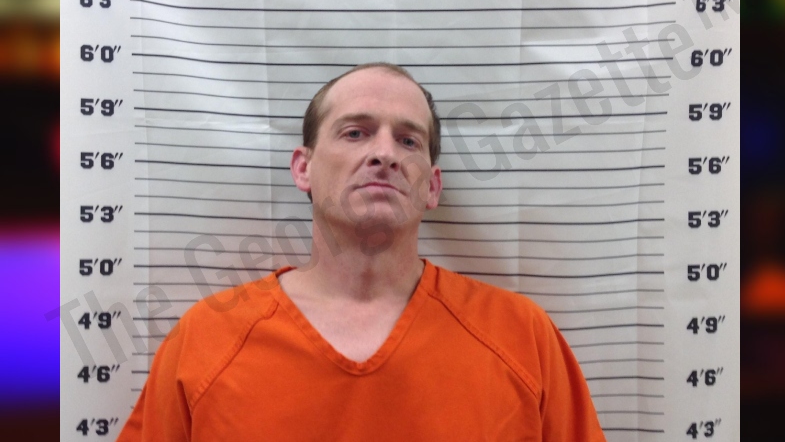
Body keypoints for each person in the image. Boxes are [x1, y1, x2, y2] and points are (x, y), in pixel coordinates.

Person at [117, 63, 606, 441]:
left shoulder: (522, 337)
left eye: (408, 140)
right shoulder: (206, 340)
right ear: (303, 168)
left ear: (432, 187)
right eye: (355, 132)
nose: (385, 154)